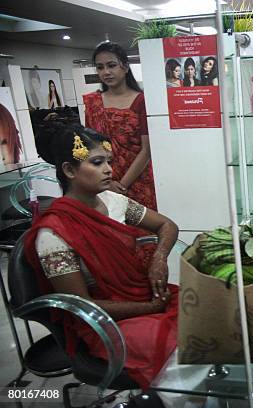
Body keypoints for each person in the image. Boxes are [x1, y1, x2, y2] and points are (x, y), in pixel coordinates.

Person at [24, 123, 179, 388]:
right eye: (97, 163)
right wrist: (149, 308)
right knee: (178, 347)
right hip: (105, 323)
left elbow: (167, 226)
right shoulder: (54, 235)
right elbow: (84, 307)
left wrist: (159, 258)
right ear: (69, 170)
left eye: (108, 161)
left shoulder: (114, 201)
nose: (109, 169)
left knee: (205, 317)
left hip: (143, 296)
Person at [84, 41, 157, 210]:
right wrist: (108, 183)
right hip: (103, 181)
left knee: (144, 229)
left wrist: (122, 185)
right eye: (100, 67)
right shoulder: (93, 103)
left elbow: (147, 150)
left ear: (125, 67)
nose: (106, 72)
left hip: (139, 179)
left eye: (111, 65)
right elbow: (90, 146)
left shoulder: (141, 101)